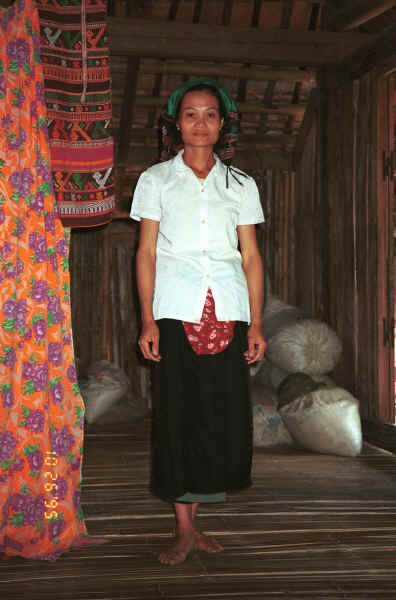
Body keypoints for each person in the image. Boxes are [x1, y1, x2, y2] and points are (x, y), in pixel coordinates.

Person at [130, 78, 266, 565]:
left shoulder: (241, 185)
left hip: (226, 311)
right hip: (176, 311)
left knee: (219, 414)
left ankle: (199, 518)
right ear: (176, 124)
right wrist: (147, 320)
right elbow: (146, 252)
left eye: (210, 113)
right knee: (177, 414)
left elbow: (249, 257)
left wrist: (254, 323)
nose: (200, 122)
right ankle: (183, 529)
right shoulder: (156, 180)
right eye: (190, 114)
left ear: (223, 122)